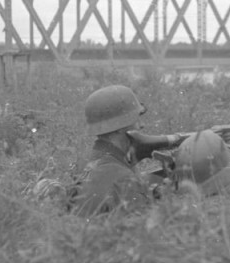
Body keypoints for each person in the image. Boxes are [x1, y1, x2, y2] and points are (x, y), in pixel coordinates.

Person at [72, 84, 185, 216]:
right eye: (136, 120)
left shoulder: (85, 163)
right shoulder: (123, 178)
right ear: (120, 126)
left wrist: (154, 192)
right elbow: (143, 229)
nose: (142, 125)